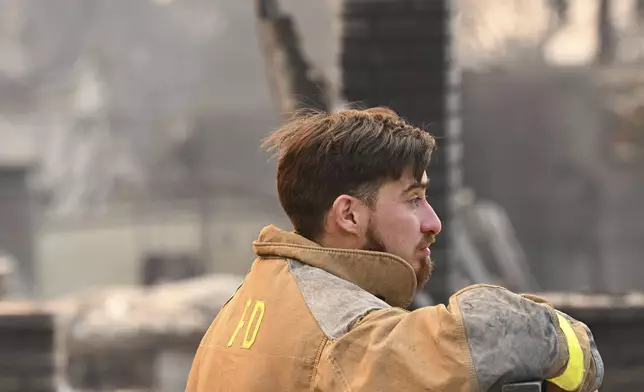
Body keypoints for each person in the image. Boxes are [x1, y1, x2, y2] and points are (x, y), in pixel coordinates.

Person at [184, 107, 603, 392]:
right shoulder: (342, 332)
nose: (433, 222)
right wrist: (568, 345)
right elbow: (490, 332)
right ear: (349, 216)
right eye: (413, 199)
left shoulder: (251, 303)